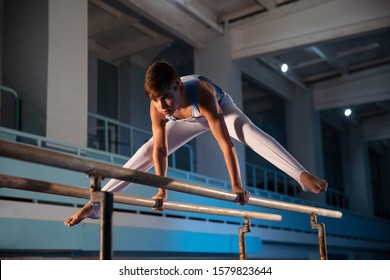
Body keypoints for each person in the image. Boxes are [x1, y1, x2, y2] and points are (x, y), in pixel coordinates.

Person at [64, 60, 328, 227]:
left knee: (247, 131)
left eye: (166, 98)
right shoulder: (159, 106)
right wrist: (162, 189)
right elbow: (160, 149)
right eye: (155, 100)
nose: (161, 106)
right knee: (146, 149)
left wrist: (236, 184)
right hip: (183, 121)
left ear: (179, 86)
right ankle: (96, 204)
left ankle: (300, 174)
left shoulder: (201, 92)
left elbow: (225, 143)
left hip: (219, 110)